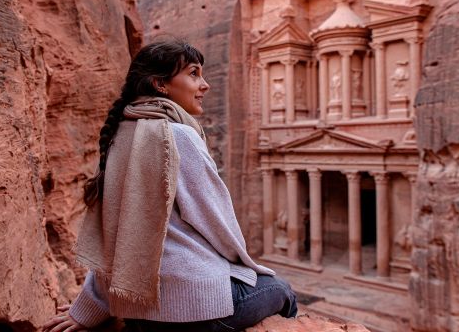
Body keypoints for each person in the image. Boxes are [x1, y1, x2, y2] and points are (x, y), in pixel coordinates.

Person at [43, 40, 297, 332]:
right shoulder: (179, 136)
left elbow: (114, 236)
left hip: (139, 312)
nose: (204, 85)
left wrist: (88, 309)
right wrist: (252, 270)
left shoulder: (120, 133)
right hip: (197, 312)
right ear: (160, 85)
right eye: (193, 74)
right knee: (281, 290)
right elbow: (217, 224)